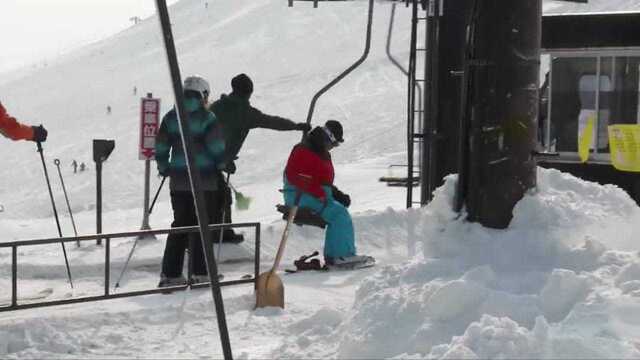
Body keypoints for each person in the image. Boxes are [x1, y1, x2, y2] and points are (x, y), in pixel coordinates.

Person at [209, 73, 310, 242]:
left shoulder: (217, 107)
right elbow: (272, 122)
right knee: (220, 196)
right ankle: (219, 234)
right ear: (248, 92)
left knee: (217, 194)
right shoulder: (245, 113)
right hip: (211, 161)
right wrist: (296, 126)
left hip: (202, 157)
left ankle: (216, 232)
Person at [155, 75, 226, 287]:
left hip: (178, 182)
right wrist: (223, 163)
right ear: (203, 94)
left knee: (180, 225)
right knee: (202, 226)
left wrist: (164, 166)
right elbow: (216, 148)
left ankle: (170, 274)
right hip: (203, 182)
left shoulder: (171, 117)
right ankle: (201, 272)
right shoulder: (207, 118)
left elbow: (160, 147)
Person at [283, 120, 370, 267]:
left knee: (339, 211)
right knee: (339, 214)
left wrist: (336, 194)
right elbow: (293, 175)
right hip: (299, 196)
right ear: (329, 138)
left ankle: (334, 255)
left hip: (312, 195)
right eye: (335, 144)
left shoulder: (321, 152)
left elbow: (322, 180)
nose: (334, 147)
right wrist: (320, 193)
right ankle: (341, 255)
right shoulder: (305, 149)